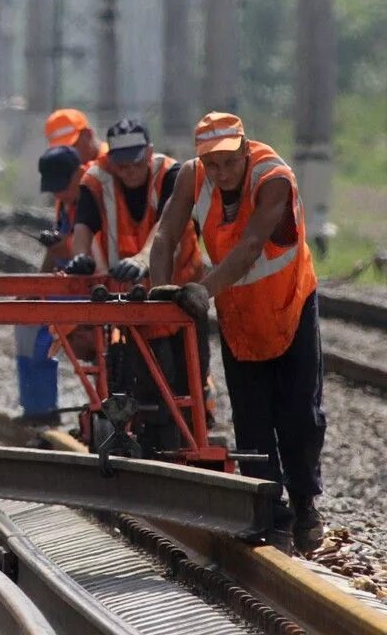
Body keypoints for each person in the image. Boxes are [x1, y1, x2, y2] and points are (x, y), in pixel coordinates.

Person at [149, 112, 326, 553]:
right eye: (213, 165)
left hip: (290, 306)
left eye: (229, 162)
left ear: (246, 151)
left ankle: (305, 506)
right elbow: (165, 234)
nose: (222, 173)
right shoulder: (192, 177)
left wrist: (201, 291)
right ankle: (268, 511)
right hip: (239, 313)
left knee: (299, 414)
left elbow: (250, 247)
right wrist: (156, 292)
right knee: (252, 419)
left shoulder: (273, 178)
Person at [64, 119, 210, 451]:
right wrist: (81, 257)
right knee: (153, 381)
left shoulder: (173, 175)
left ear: (150, 152)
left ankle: (193, 438)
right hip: (135, 302)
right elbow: (83, 226)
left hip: (182, 294)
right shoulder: (96, 181)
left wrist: (142, 261)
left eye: (135, 160)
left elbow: (166, 230)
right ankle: (159, 442)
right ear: (109, 160)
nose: (129, 169)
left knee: (193, 377)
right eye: (121, 162)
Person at [13, 145, 86, 423]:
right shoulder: (66, 205)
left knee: (37, 325)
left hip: (93, 287)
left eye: (62, 187)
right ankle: (37, 406)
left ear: (78, 174)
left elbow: (91, 254)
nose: (58, 194)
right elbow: (55, 255)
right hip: (69, 287)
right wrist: (35, 289)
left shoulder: (95, 200)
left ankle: (41, 409)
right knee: (24, 317)